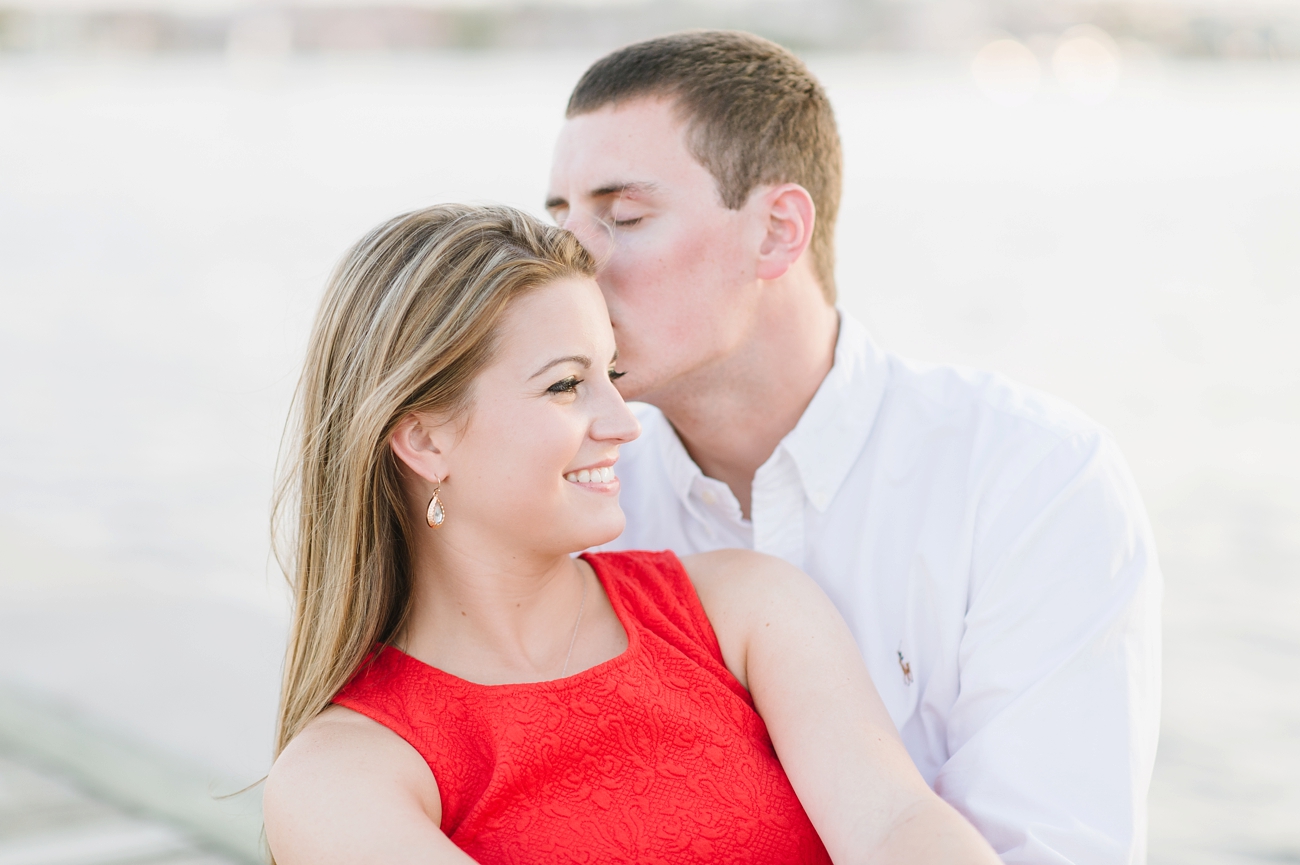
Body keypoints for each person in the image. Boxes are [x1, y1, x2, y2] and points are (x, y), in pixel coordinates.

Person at [545, 31, 1162, 864]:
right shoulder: (566, 507)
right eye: (561, 222)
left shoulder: (1030, 481)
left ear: (777, 232)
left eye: (623, 218)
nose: (568, 266)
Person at [261, 203, 1000, 864]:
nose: (622, 422)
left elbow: (897, 823)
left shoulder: (742, 608)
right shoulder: (341, 775)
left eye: (611, 373)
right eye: (564, 384)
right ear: (423, 441)